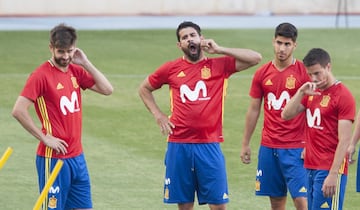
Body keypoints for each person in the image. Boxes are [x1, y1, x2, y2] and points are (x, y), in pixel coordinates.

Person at [138, 21, 262, 210]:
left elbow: (255, 58)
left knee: (218, 205)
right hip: (179, 144)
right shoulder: (171, 68)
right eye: (184, 38)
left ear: (201, 39)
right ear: (180, 45)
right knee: (185, 205)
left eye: (193, 35)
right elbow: (144, 89)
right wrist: (159, 115)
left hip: (209, 144)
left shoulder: (219, 65)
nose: (189, 40)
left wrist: (220, 49)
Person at [12, 23, 113, 210]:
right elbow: (18, 110)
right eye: (60, 51)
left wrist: (85, 63)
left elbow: (107, 90)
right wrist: (43, 137)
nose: (65, 56)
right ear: (51, 48)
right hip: (53, 158)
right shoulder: (41, 75)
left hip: (77, 157)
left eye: (69, 51)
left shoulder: (76, 70)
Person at [240, 22, 308, 210]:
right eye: (279, 43)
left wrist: (310, 143)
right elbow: (254, 109)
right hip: (269, 147)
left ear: (295, 45)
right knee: (277, 202)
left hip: (296, 147)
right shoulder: (262, 73)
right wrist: (246, 143)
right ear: (273, 42)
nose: (282, 49)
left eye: (287, 44)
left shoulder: (304, 73)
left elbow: (313, 110)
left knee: (302, 201)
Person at [281, 48, 355, 210]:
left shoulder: (343, 96)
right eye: (310, 74)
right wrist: (301, 91)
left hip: (329, 168)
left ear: (328, 67)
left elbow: (345, 140)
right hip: (310, 166)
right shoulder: (311, 92)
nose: (314, 79)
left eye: (317, 73)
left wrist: (333, 174)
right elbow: (286, 115)